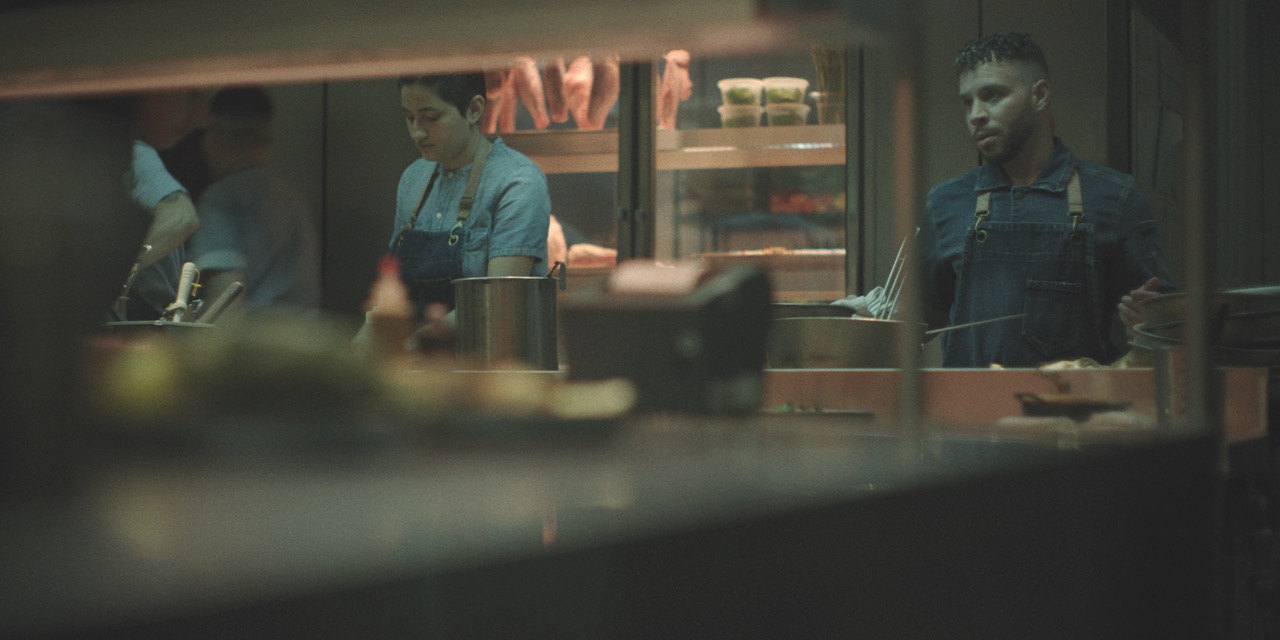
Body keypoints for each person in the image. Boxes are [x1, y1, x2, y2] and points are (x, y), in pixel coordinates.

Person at [915, 32, 1173, 367]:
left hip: (1072, 411)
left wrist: (1150, 319)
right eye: (968, 102)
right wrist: (866, 322)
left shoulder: (1114, 197)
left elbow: (1167, 324)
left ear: (1039, 95)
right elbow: (919, 320)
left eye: (992, 95)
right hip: (968, 414)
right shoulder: (946, 203)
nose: (976, 115)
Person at [388, 72, 551, 314]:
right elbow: (393, 290)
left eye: (430, 118)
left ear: (474, 109)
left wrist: (417, 343)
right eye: (409, 118)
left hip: (487, 347)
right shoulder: (413, 179)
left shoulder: (518, 182)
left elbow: (496, 303)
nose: (417, 132)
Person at [187, 86, 321, 315]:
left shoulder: (221, 199)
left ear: (215, 135)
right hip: (301, 347)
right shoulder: (291, 200)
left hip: (250, 348)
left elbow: (224, 306)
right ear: (265, 140)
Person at [125, 90, 209, 321]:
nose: (201, 118)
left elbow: (181, 216)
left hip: (144, 325)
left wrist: (112, 275)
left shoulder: (135, 152)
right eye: (192, 97)